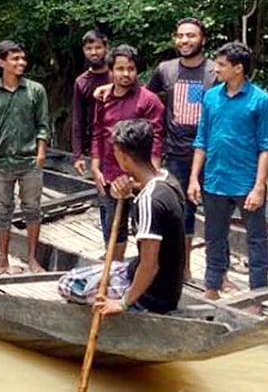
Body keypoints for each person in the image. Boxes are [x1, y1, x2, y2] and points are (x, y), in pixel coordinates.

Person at [57, 119, 185, 316]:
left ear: (124, 157)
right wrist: (128, 187)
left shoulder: (149, 201)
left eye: (115, 152)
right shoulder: (168, 180)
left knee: (67, 284)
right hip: (151, 276)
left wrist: (122, 304)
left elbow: (150, 266)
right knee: (101, 272)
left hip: (152, 295)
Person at [188, 41, 268, 298]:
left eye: (222, 65)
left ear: (238, 68)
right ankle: (212, 287)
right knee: (214, 238)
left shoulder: (261, 101)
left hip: (247, 182)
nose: (216, 69)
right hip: (215, 180)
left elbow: (266, 147)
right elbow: (201, 140)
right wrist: (194, 178)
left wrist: (259, 187)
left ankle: (258, 295)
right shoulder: (211, 97)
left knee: (256, 241)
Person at [142, 18, 217, 278]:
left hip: (212, 153)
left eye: (191, 36)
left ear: (203, 40)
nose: (184, 41)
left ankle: (219, 272)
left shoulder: (216, 71)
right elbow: (144, 98)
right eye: (181, 36)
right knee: (182, 214)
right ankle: (183, 269)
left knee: (217, 212)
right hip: (176, 154)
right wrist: (111, 86)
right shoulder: (166, 69)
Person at [0, 40, 50, 275]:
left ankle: (32, 259)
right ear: (2, 62)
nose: (21, 63)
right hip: (0, 161)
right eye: (15, 59)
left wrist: (41, 154)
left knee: (32, 209)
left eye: (23, 58)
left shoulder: (35, 90)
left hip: (29, 160)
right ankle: (2, 260)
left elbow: (43, 124)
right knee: (2, 210)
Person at [90, 44, 164, 259]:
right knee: (113, 227)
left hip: (140, 175)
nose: (125, 74)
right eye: (120, 69)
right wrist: (95, 165)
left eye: (130, 68)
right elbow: (97, 131)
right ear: (111, 71)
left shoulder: (148, 101)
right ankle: (114, 268)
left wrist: (153, 172)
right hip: (110, 173)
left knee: (144, 227)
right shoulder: (103, 98)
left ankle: (146, 270)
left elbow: (157, 137)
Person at [71, 30, 110, 177]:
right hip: (98, 144)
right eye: (89, 49)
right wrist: (77, 155)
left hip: (125, 141)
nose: (94, 53)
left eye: (98, 48)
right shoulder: (82, 82)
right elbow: (78, 120)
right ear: (84, 51)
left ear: (106, 48)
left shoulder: (118, 75)